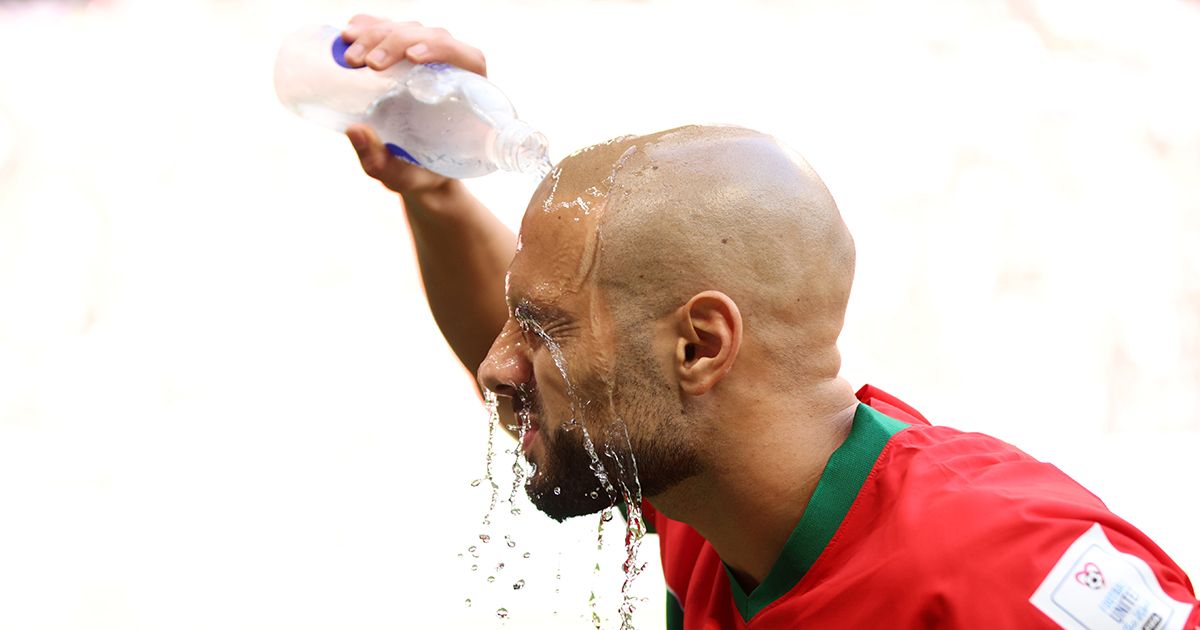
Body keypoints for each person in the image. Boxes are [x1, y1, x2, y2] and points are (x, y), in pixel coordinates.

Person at [336, 15, 1199, 629]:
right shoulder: (722, 491)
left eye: (545, 330)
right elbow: (570, 383)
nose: (498, 367)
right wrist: (437, 189)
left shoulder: (1005, 575)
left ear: (702, 346)